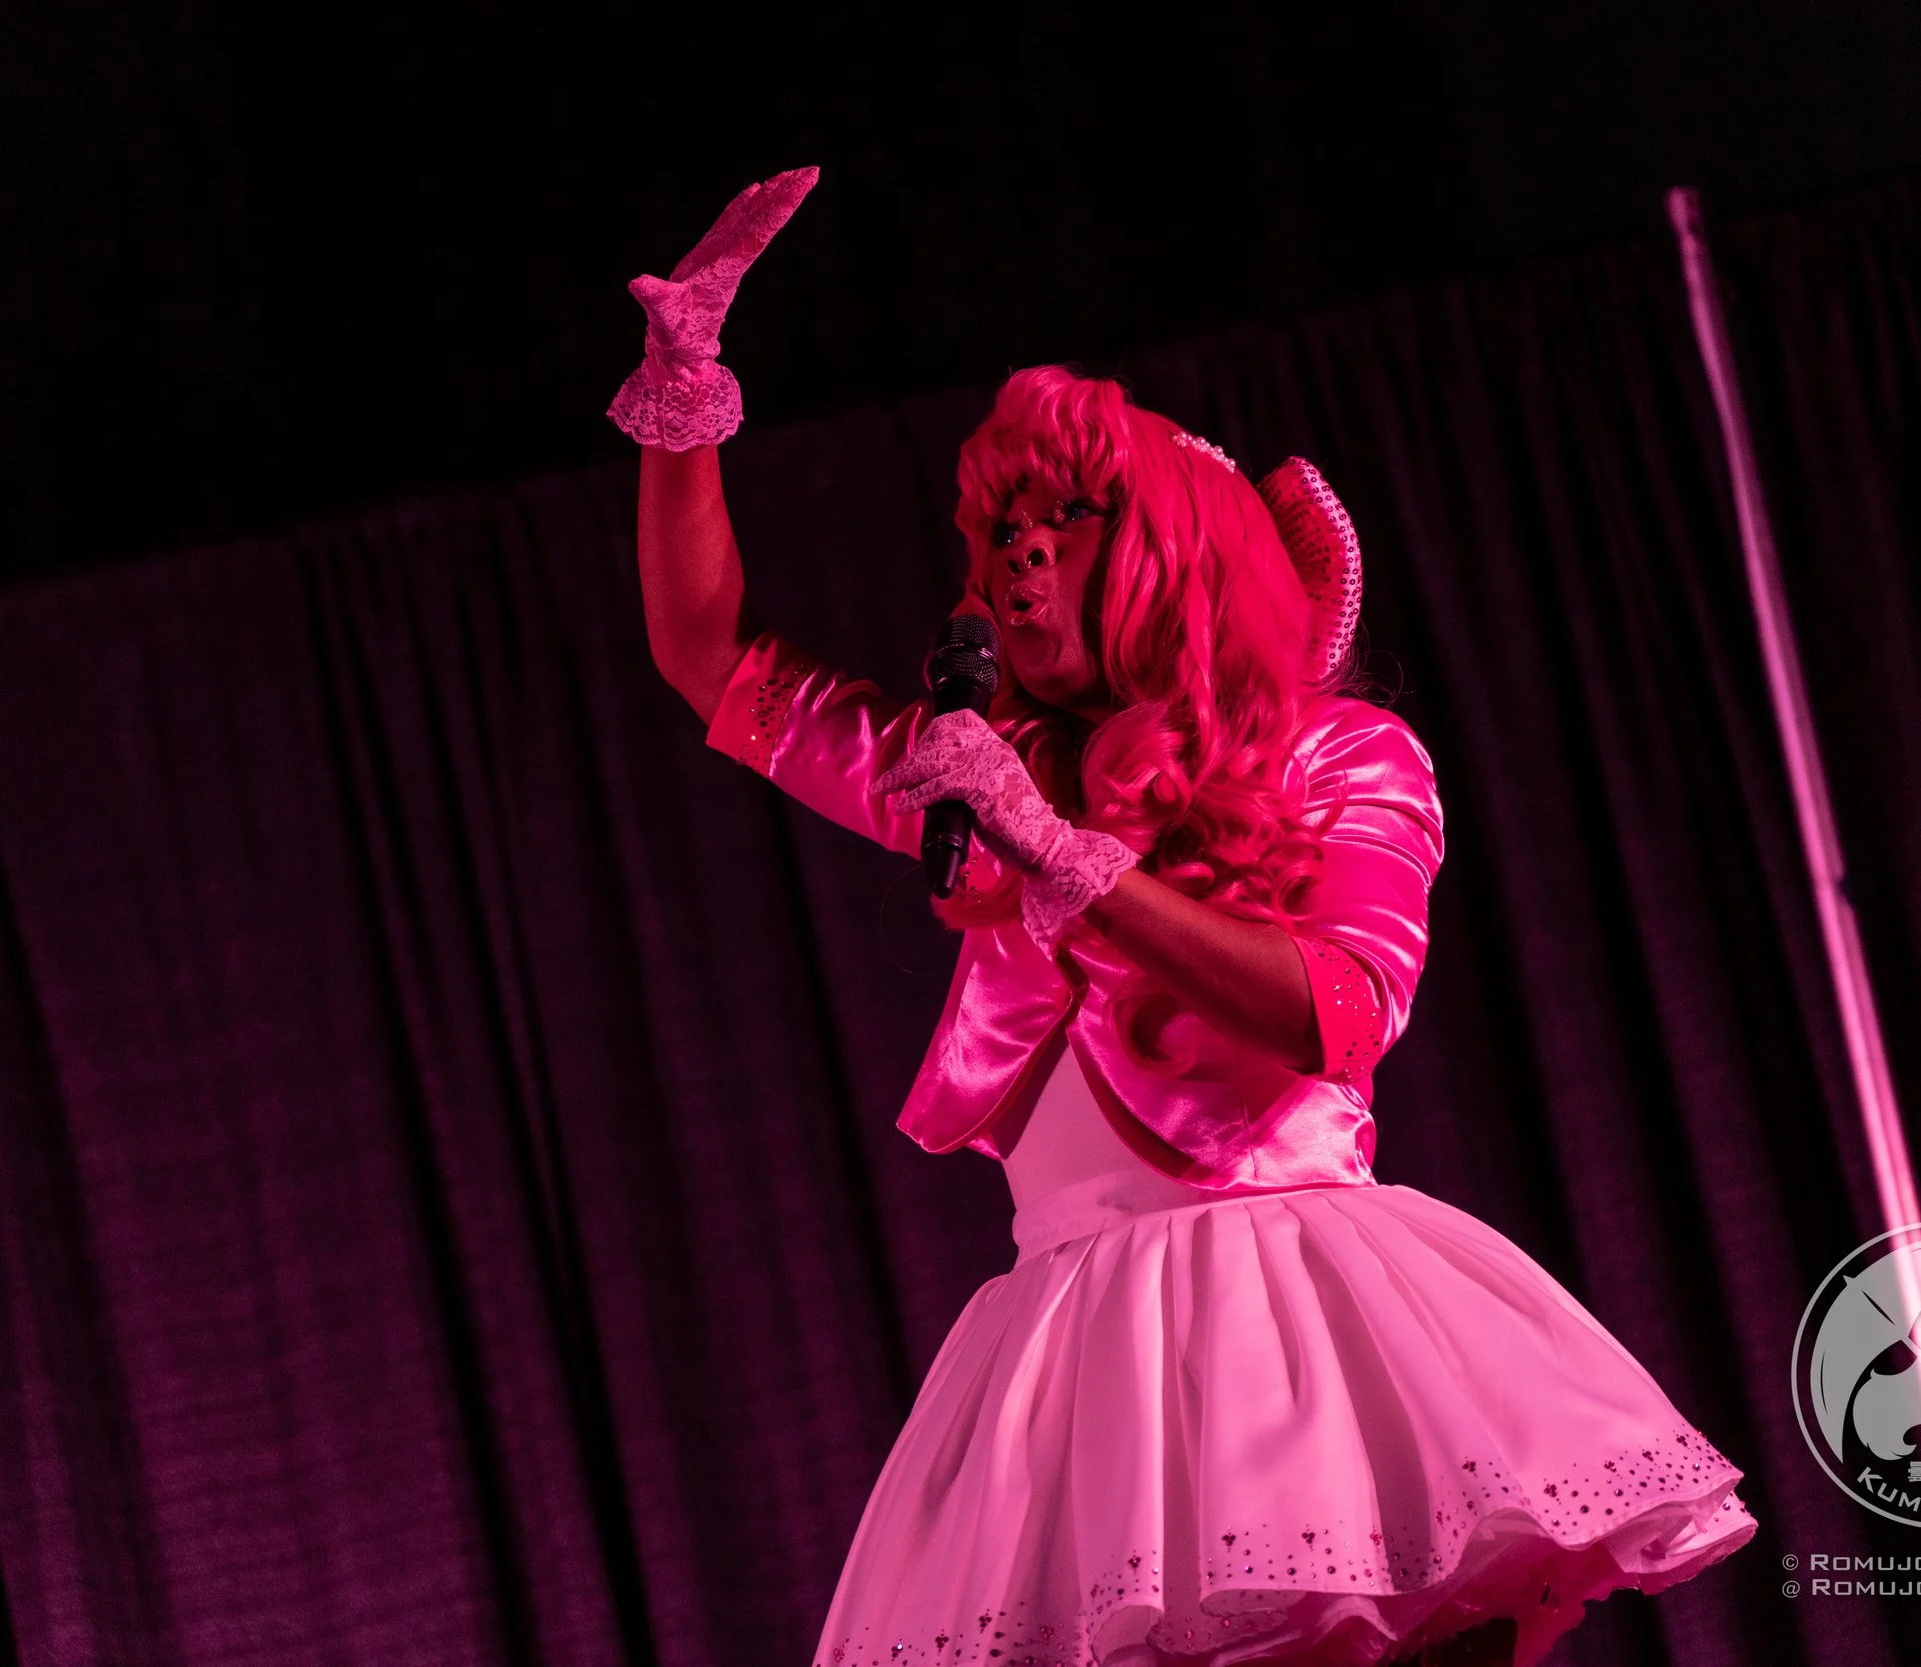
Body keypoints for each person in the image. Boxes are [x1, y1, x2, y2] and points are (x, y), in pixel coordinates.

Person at [612, 168, 1756, 1667]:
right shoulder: (980, 775)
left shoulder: (1336, 754)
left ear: (1170, 541)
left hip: (1305, 1322)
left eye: (1067, 519)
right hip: (1080, 1360)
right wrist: (685, 385)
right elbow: (715, 661)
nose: (1018, 555)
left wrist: (1067, 859)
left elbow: (1340, 1009)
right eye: (998, 529)